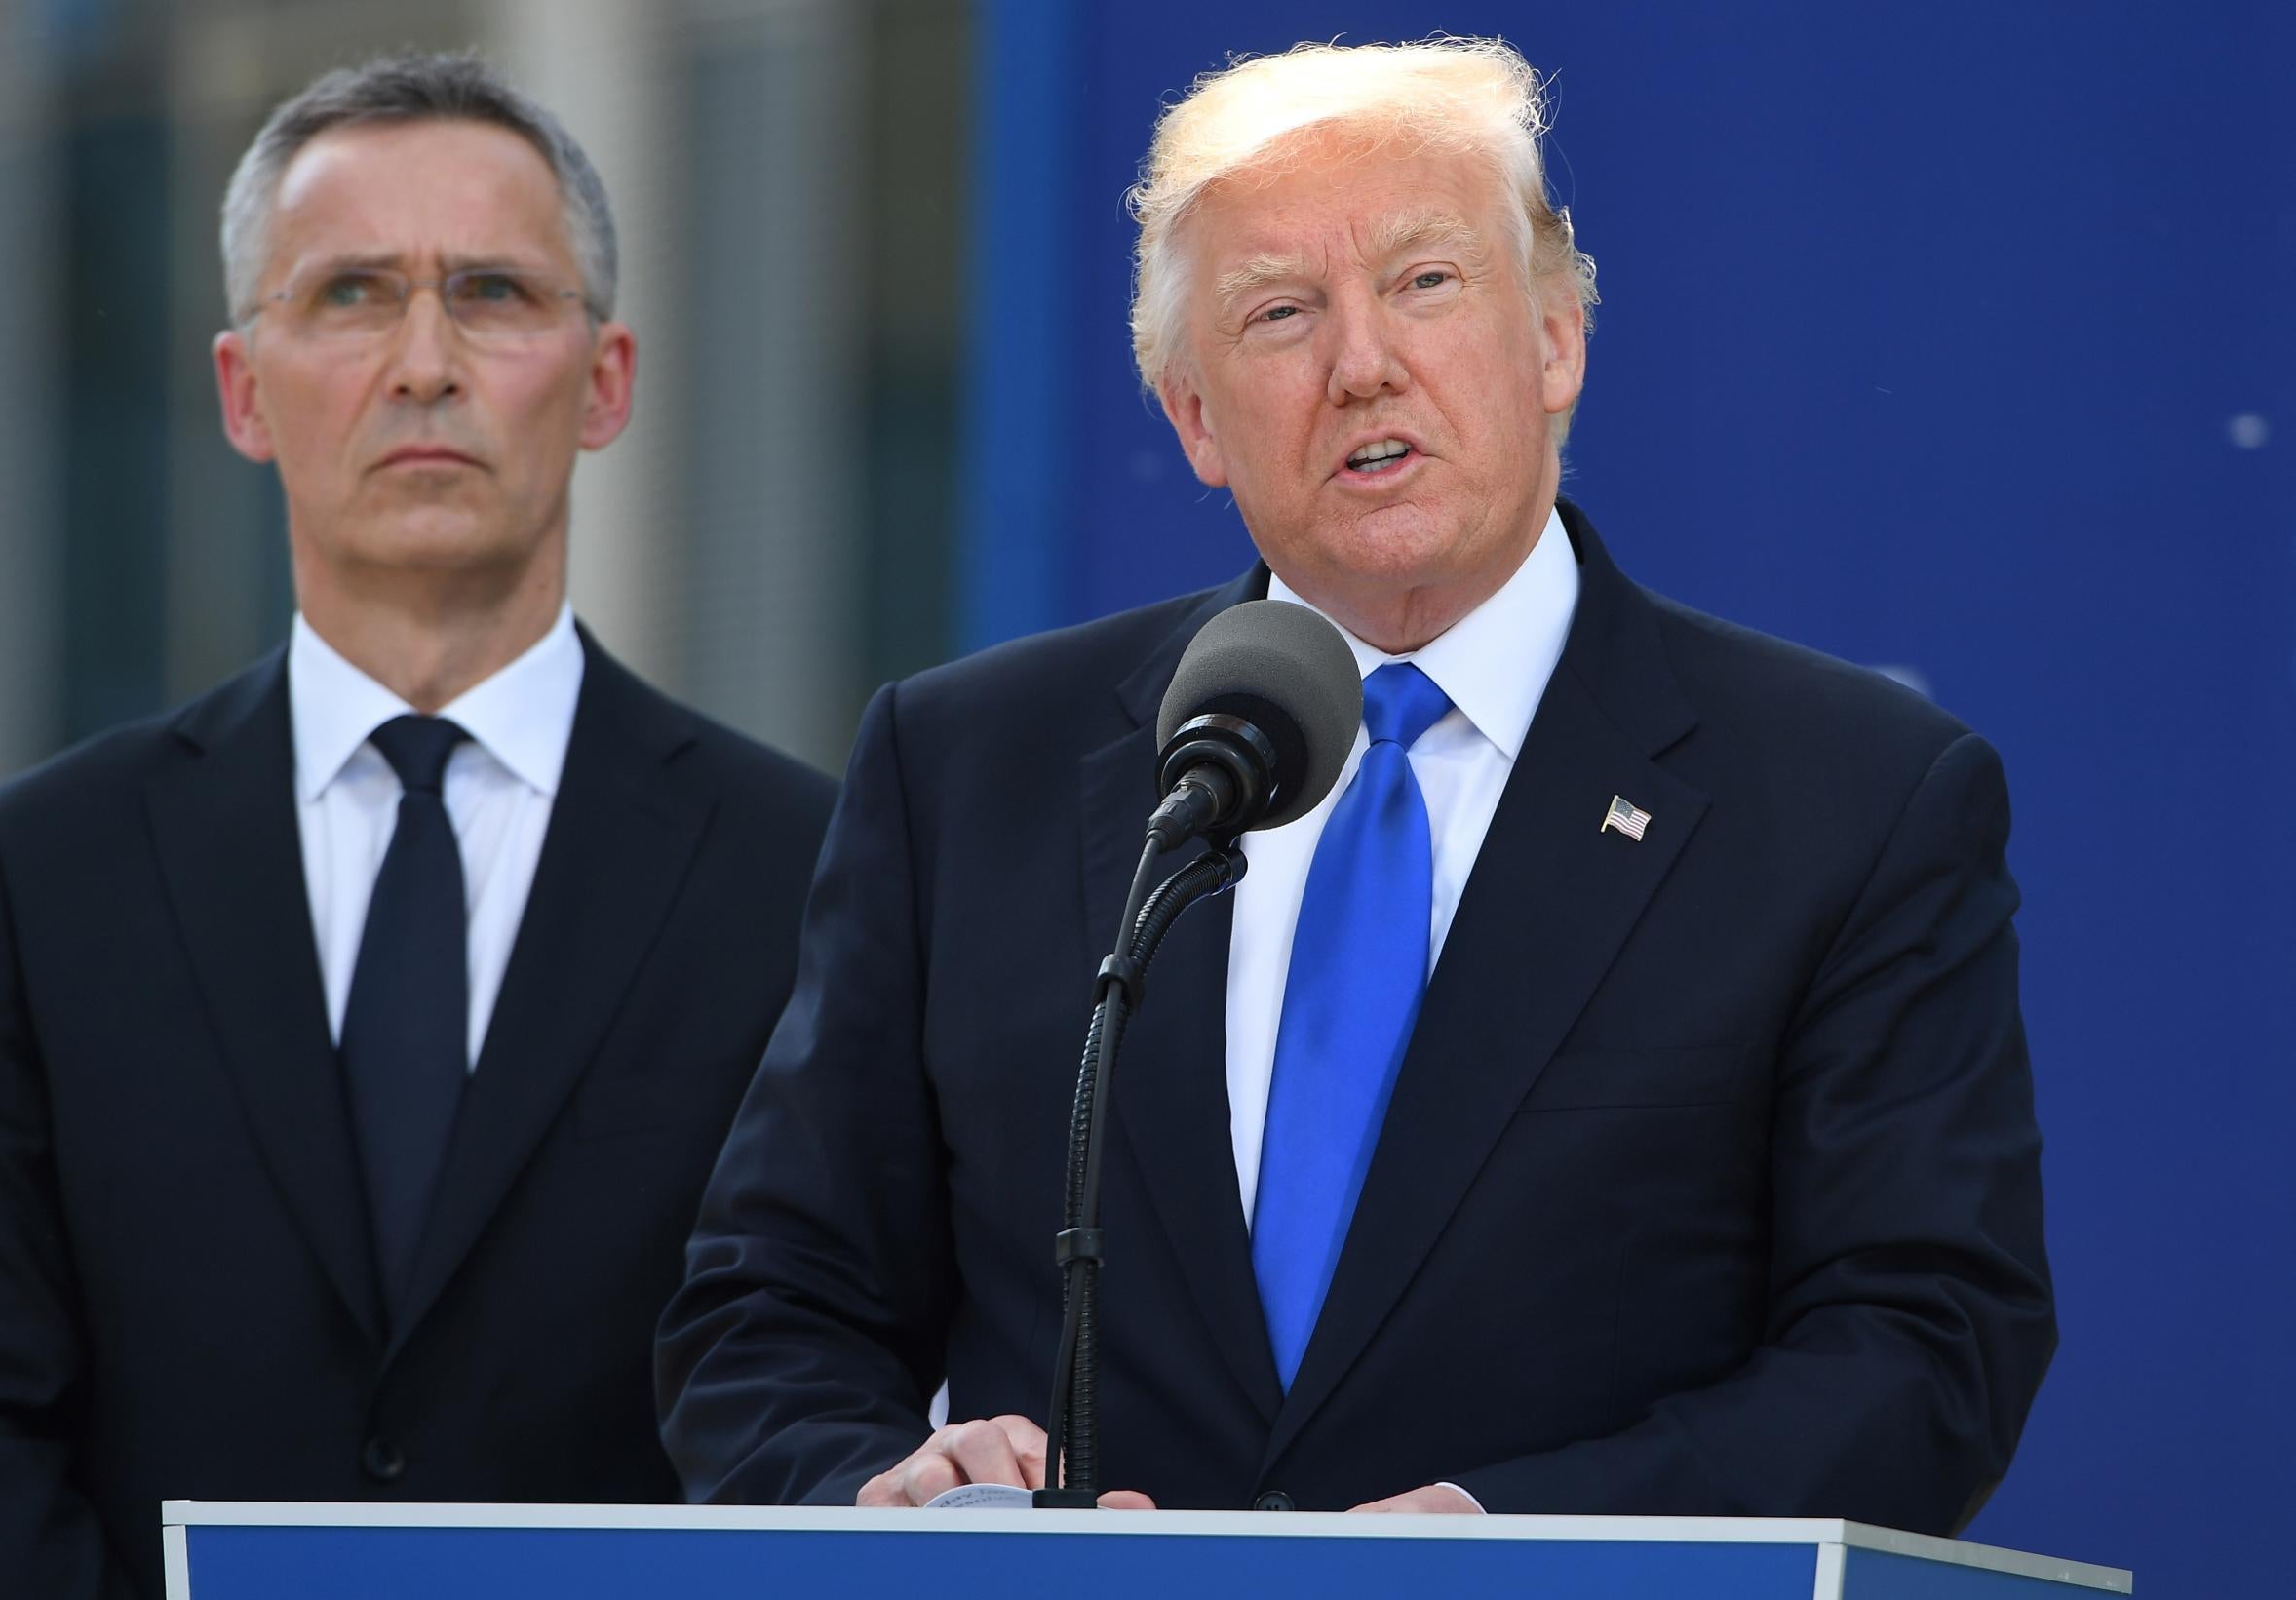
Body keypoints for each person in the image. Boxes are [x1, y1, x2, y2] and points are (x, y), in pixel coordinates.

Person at [659, 36, 2054, 1527]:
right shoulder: (966, 767)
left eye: (1426, 282)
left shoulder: (1850, 797)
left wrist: (1515, 1540)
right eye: (1280, 313)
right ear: (1196, 418)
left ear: (1558, 338)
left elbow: (1921, 1345)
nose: (1363, 361)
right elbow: (772, 1309)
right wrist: (889, 1490)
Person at [0, 51, 835, 1599]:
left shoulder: (808, 874)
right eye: (353, 294)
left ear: (606, 381)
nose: (426, 361)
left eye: (497, 292)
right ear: (244, 390)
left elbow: (833, 1388)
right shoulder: (50, 879)